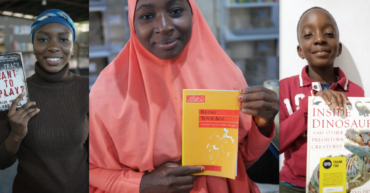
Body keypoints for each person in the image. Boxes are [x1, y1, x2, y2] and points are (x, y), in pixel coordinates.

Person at [89, 0, 278, 193]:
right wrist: (141, 184)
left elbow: (238, 161)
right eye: (147, 16)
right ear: (132, 22)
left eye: (176, 11)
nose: (164, 27)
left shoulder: (226, 76)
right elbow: (90, 169)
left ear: (193, 13)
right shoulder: (107, 94)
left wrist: (262, 125)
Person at [0, 9, 89, 192]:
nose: (53, 47)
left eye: (63, 39)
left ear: (73, 46)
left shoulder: (87, 89)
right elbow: (1, 162)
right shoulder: (15, 94)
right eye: (43, 39)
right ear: (33, 45)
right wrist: (15, 134)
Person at [279, 7, 364, 192]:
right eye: (309, 35)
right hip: (293, 185)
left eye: (329, 33)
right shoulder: (284, 88)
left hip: (340, 182)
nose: (319, 39)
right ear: (300, 51)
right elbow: (277, 143)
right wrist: (309, 107)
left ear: (338, 48)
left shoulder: (356, 93)